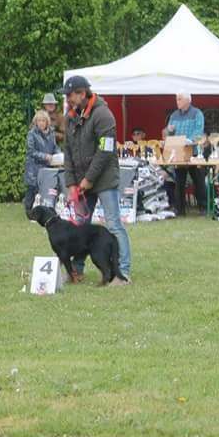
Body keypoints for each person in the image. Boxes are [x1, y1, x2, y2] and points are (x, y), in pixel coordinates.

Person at [60, 75, 131, 285]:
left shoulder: (103, 115)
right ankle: (76, 271)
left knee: (113, 224)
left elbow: (106, 150)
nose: (67, 100)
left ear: (82, 93)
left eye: (70, 96)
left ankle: (122, 273)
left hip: (105, 180)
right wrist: (72, 182)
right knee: (80, 226)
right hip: (82, 181)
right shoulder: (71, 116)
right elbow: (68, 152)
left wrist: (89, 180)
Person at [164, 91, 207, 215]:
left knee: (198, 180)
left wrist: (189, 140)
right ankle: (180, 209)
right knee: (179, 182)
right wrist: (169, 130)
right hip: (178, 153)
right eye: (177, 99)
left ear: (188, 100)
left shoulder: (197, 113)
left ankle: (203, 207)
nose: (177, 101)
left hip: (193, 152)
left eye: (180, 99)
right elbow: (168, 134)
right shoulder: (173, 115)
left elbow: (199, 131)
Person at [23, 110, 59, 217]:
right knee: (31, 190)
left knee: (46, 191)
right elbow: (31, 151)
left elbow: (55, 147)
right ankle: (29, 212)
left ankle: (44, 212)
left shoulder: (51, 133)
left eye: (43, 120)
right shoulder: (31, 134)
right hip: (33, 168)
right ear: (36, 122)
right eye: (39, 120)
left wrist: (58, 155)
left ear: (47, 122)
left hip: (47, 167)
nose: (41, 123)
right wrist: (45, 156)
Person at [132, 127, 176, 209]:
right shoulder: (136, 147)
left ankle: (170, 205)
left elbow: (173, 164)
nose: (163, 138)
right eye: (163, 136)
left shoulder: (174, 148)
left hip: (170, 174)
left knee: (165, 182)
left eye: (165, 136)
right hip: (155, 172)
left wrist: (166, 172)